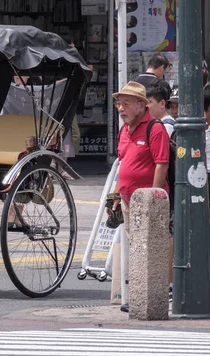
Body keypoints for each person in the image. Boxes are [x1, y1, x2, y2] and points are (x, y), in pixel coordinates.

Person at [110, 82, 170, 313]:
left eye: (126, 103)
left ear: (141, 105)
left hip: (146, 201)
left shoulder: (154, 129)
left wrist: (152, 198)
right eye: (118, 103)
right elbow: (123, 164)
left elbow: (161, 164)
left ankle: (145, 297)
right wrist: (115, 195)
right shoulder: (124, 130)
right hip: (127, 200)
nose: (121, 108)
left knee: (147, 250)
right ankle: (137, 296)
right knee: (136, 247)